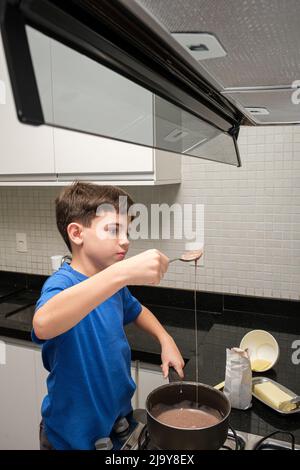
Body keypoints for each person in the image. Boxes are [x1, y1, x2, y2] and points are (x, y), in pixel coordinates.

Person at [32, 181, 185, 450]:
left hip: (116, 424)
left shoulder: (112, 283)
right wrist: (121, 273)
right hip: (70, 438)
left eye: (127, 231)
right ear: (77, 233)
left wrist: (165, 338)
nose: (125, 240)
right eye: (114, 230)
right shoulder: (62, 283)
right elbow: (43, 324)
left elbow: (137, 311)